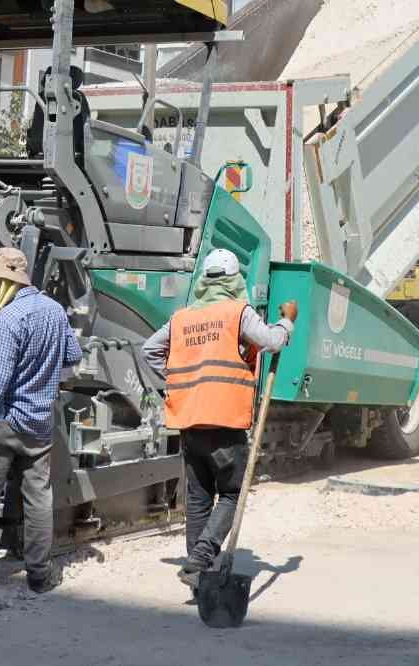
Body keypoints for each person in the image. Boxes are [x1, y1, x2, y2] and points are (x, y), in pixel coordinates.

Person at [142, 247, 296, 589]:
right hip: (224, 419)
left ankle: (198, 575)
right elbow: (271, 342)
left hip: (190, 420)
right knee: (231, 493)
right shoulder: (236, 313)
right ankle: (201, 558)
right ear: (233, 280)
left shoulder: (182, 319)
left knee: (198, 499)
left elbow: (148, 350)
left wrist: (174, 383)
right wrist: (287, 320)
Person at [0, 247, 80, 593]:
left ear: (3, 282)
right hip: (40, 423)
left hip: (4, 422)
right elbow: (73, 354)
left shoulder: (9, 318)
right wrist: (42, 374)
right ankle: (39, 573)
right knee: (38, 496)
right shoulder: (55, 310)